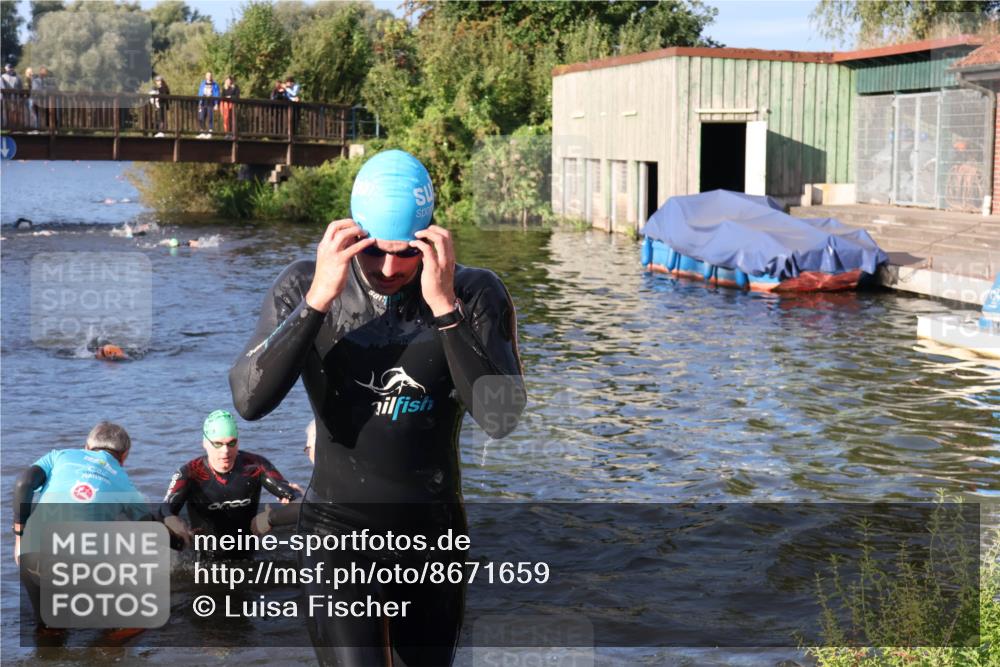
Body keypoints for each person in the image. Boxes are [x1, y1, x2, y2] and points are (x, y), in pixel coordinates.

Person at [229, 149, 526, 666]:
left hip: (431, 530)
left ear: (431, 237)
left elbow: (500, 418)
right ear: (351, 236)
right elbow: (250, 400)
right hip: (336, 529)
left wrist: (444, 310)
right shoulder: (304, 284)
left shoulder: (476, 293)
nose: (389, 269)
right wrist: (319, 299)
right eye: (374, 253)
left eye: (406, 252)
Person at [12, 422, 151, 623]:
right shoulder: (126, 484)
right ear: (124, 455)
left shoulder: (59, 456)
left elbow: (23, 483)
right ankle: (103, 648)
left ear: (86, 446)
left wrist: (19, 537)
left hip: (32, 552)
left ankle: (49, 643)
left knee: (48, 626)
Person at [158, 410, 300, 559]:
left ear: (238, 441)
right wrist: (171, 520)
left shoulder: (255, 466)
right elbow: (163, 509)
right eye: (218, 444)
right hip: (205, 559)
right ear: (205, 443)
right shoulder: (191, 472)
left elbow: (298, 499)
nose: (225, 451)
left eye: (231, 443)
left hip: (248, 555)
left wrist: (272, 517)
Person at [196, 71, 219, 138]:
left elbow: (217, 94)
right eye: (208, 75)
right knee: (201, 116)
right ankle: (202, 131)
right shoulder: (202, 83)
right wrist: (199, 102)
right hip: (203, 101)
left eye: (210, 75)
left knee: (210, 117)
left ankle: (210, 131)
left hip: (211, 102)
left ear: (212, 76)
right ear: (206, 76)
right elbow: (200, 93)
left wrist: (216, 103)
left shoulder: (215, 84)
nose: (209, 77)